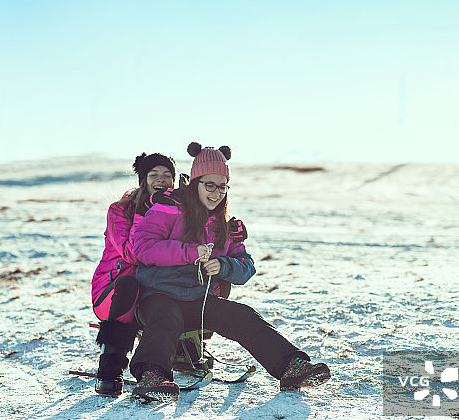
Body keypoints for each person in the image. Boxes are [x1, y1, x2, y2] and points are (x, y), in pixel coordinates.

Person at [129, 142, 331, 403]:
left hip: (197, 300)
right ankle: (152, 377)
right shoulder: (169, 208)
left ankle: (292, 367)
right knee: (166, 316)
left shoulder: (225, 224)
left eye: (222, 186)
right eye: (209, 185)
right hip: (156, 296)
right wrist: (189, 252)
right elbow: (143, 247)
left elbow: (246, 268)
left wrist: (223, 266)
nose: (216, 193)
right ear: (195, 183)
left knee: (240, 314)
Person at [90, 152, 176, 397]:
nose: (161, 180)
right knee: (129, 284)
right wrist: (143, 214)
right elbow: (131, 255)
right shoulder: (120, 210)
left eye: (167, 175)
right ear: (143, 180)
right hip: (113, 292)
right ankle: (109, 372)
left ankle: (184, 356)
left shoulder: (176, 208)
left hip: (150, 287)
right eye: (154, 174)